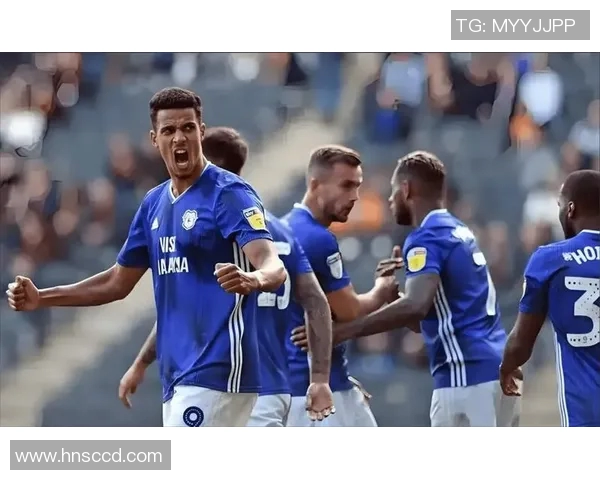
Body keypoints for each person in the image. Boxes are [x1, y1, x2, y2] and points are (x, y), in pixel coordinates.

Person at [6, 87, 287, 427]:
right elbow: (116, 282)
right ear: (155, 139)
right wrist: (42, 298)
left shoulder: (228, 193)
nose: (179, 137)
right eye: (169, 130)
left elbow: (273, 264)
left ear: (201, 131)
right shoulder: (154, 203)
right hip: (179, 375)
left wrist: (253, 278)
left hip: (217, 370)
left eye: (188, 128)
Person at [118, 126, 335, 426]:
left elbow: (185, 305)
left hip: (227, 380)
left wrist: (141, 363)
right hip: (273, 387)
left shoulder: (208, 229)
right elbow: (316, 300)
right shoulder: (282, 232)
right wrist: (320, 377)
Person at [303, 150, 520, 427]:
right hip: (491, 370)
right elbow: (428, 319)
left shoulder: (426, 237)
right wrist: (394, 297)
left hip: (467, 378)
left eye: (393, 191)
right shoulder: (458, 231)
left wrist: (343, 332)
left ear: (406, 189)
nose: (390, 200)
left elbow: (416, 306)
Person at [283, 145, 402, 427]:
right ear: (315, 185)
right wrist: (382, 289)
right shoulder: (317, 238)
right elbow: (349, 310)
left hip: (317, 381)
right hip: (314, 390)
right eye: (346, 186)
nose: (355, 196)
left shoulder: (282, 228)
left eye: (357, 186)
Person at [500, 170, 600, 427]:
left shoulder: (550, 259)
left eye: (559, 206)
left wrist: (508, 366)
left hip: (585, 414)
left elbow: (521, 342)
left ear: (570, 210)